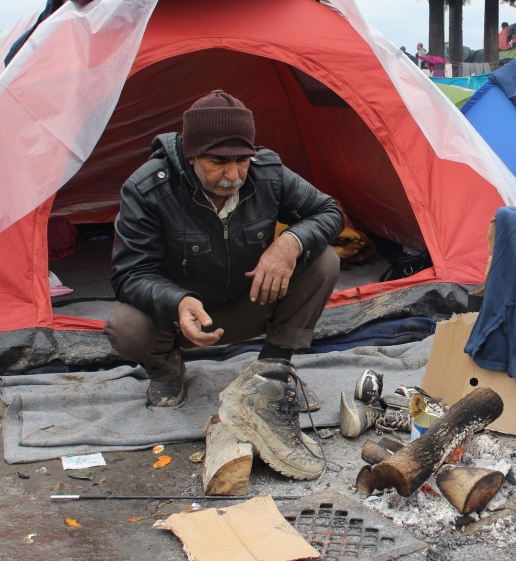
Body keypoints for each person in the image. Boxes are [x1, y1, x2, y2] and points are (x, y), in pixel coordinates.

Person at [105, 90, 345, 480]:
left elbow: (329, 211)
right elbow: (130, 273)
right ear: (191, 156)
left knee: (323, 259)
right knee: (125, 325)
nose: (232, 175)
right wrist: (176, 300)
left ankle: (273, 372)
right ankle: (167, 372)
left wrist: (289, 243)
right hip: (183, 319)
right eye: (218, 162)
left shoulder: (268, 172)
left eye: (241, 160)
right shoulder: (148, 188)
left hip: (249, 301)